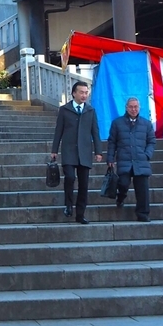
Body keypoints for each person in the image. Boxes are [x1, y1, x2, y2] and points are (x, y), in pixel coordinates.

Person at [50, 81, 103, 224]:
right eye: (81, 92)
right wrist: (54, 150)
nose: (84, 95)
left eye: (86, 93)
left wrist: (98, 151)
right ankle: (68, 204)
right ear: (74, 93)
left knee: (84, 184)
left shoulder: (90, 111)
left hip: (84, 151)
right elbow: (58, 131)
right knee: (70, 177)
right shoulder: (64, 110)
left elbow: (95, 132)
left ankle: (80, 214)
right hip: (69, 150)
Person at [106, 96, 155, 222]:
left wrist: (147, 154)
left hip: (141, 161)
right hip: (124, 160)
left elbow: (151, 141)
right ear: (126, 108)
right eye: (131, 107)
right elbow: (112, 142)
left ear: (139, 108)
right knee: (123, 184)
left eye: (136, 107)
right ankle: (120, 197)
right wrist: (110, 158)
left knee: (142, 190)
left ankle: (143, 214)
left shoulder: (146, 124)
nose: (133, 109)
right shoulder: (117, 123)